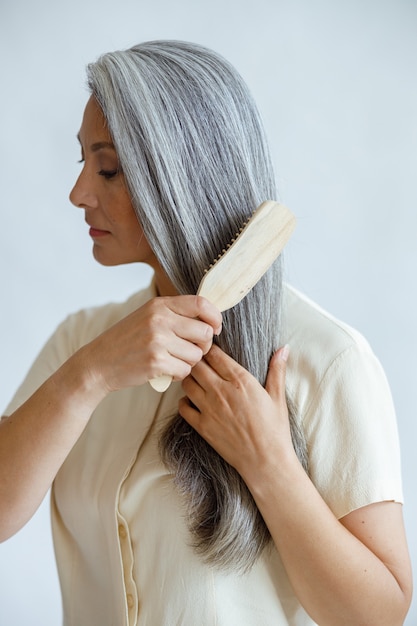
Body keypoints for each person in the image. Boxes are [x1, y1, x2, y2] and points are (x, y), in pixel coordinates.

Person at [0, 40, 412, 626]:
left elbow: (378, 615)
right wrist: (88, 377)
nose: (78, 194)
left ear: (179, 177)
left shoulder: (328, 361)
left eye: (108, 168)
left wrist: (268, 461)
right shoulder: (80, 344)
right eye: (82, 164)